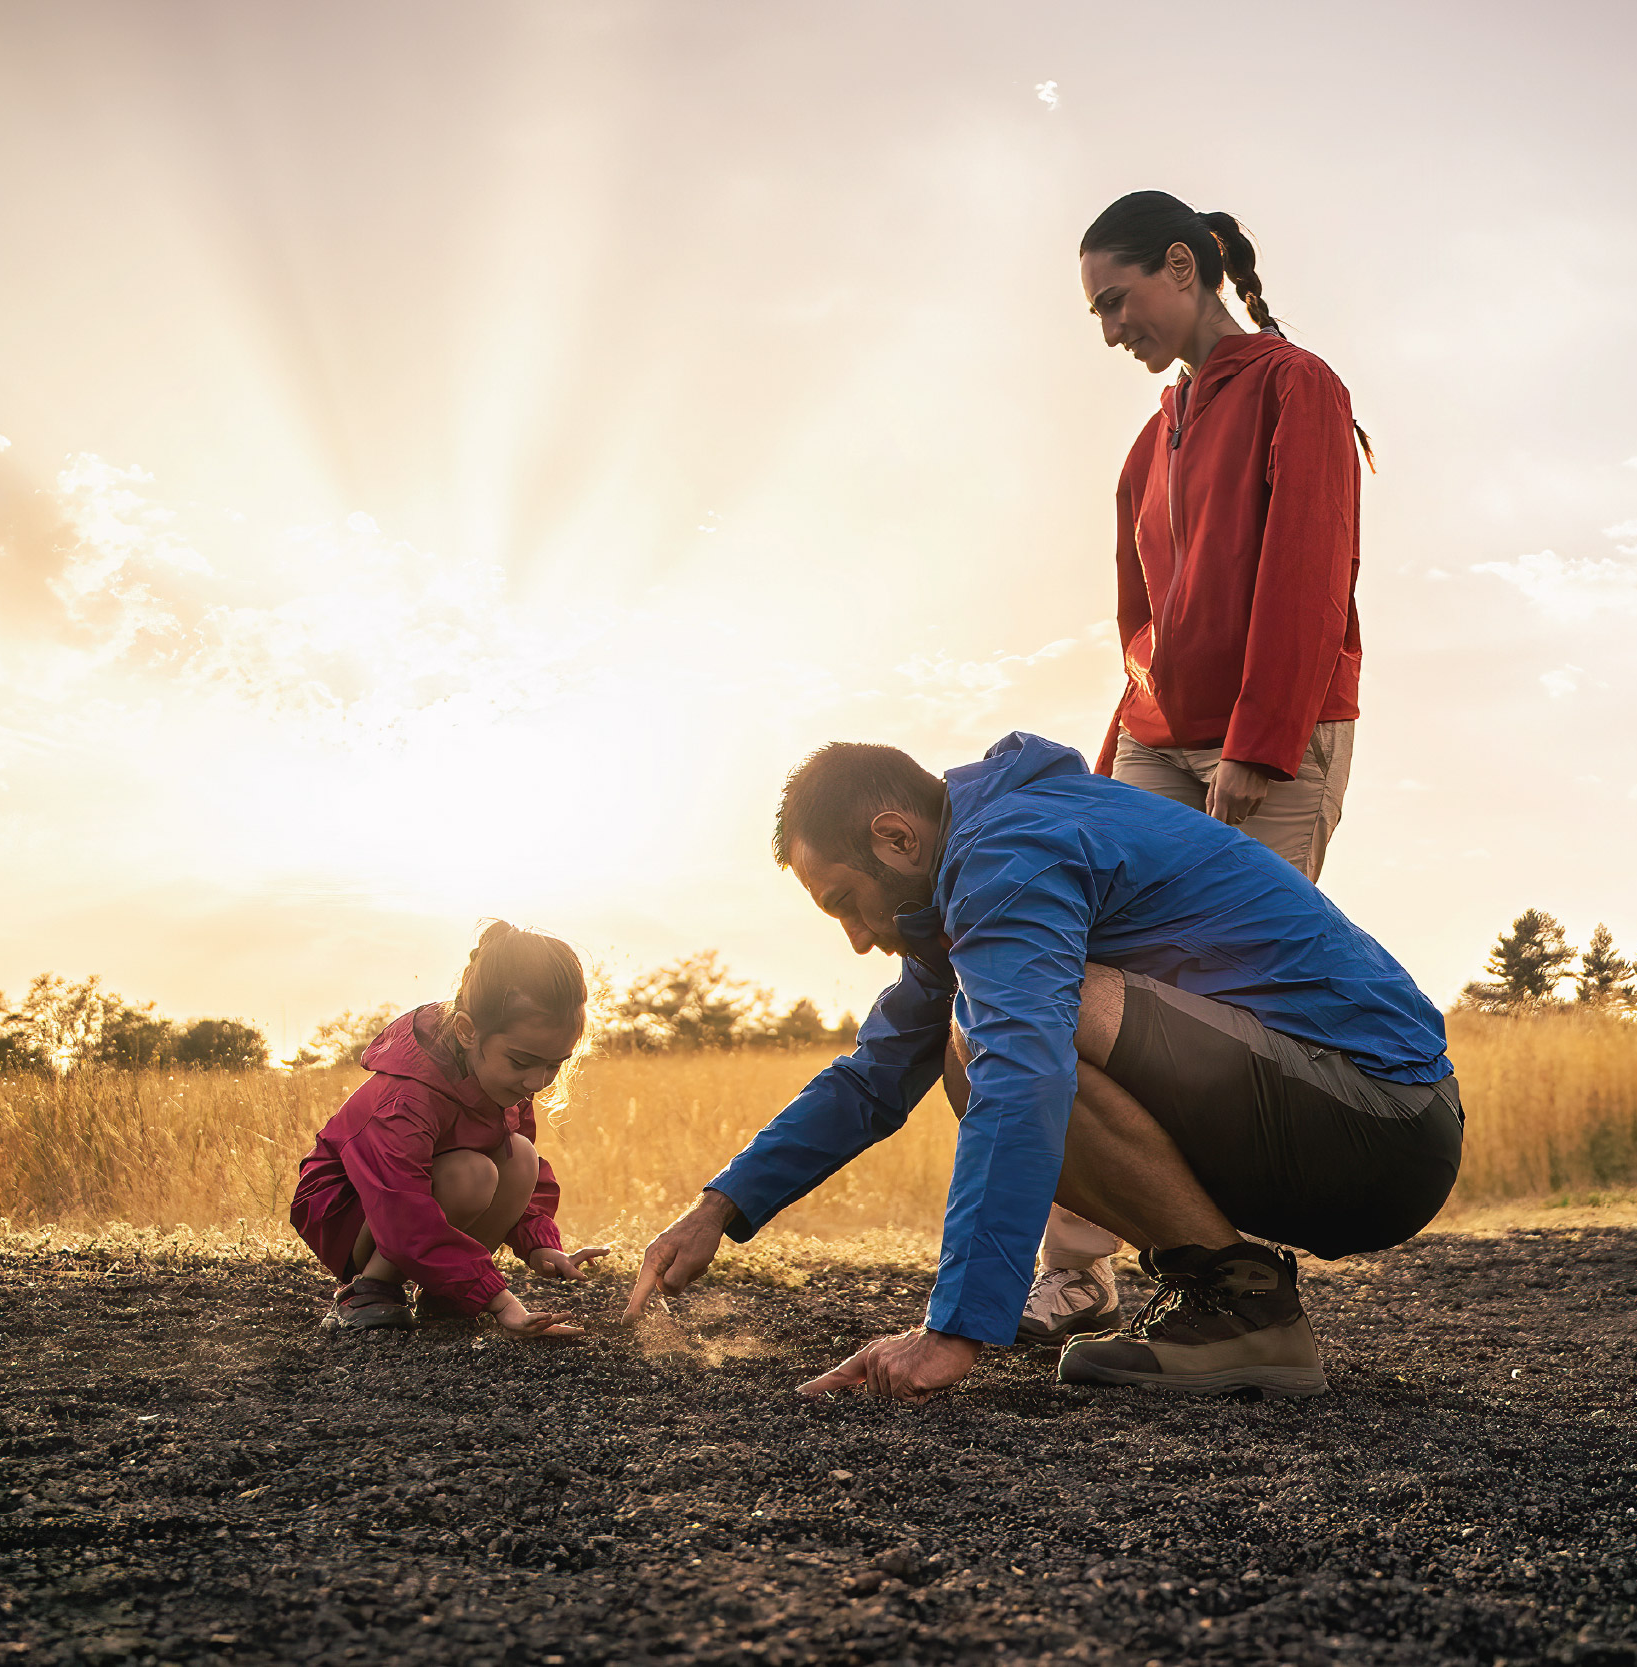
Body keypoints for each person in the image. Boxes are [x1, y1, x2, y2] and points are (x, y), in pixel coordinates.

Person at [625, 734, 1462, 1402]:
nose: (855, 936)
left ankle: (1244, 1305)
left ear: (896, 837)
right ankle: (1230, 1300)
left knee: (1001, 1034)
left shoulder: (1009, 851)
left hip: (1380, 1120)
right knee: (969, 1038)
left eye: (847, 901)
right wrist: (719, 1208)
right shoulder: (975, 870)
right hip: (1352, 1123)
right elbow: (872, 1075)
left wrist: (954, 1331)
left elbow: (1022, 1069)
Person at [1017, 191, 1381, 1344]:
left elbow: (1307, 571)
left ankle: (1236, 1272)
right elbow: (1138, 619)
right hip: (1155, 745)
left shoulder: (1297, 386)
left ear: (1182, 267)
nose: (1109, 329)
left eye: (1116, 301)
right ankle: (1074, 1268)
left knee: (1229, 1007)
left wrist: (1258, 743)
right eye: (1095, 313)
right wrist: (1115, 756)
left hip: (1266, 739)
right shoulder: (1147, 440)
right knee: (1087, 981)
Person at [291, 920, 609, 1335]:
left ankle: (446, 1294)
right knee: (471, 1175)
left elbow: (518, 1180)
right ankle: (369, 1289)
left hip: (416, 1201)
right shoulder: (406, 1099)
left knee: (520, 1156)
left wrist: (540, 1242)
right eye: (522, 1062)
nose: (536, 1082)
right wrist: (500, 1300)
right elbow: (402, 1207)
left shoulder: (502, 1080)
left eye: (554, 1064)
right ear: (466, 1031)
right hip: (351, 1209)